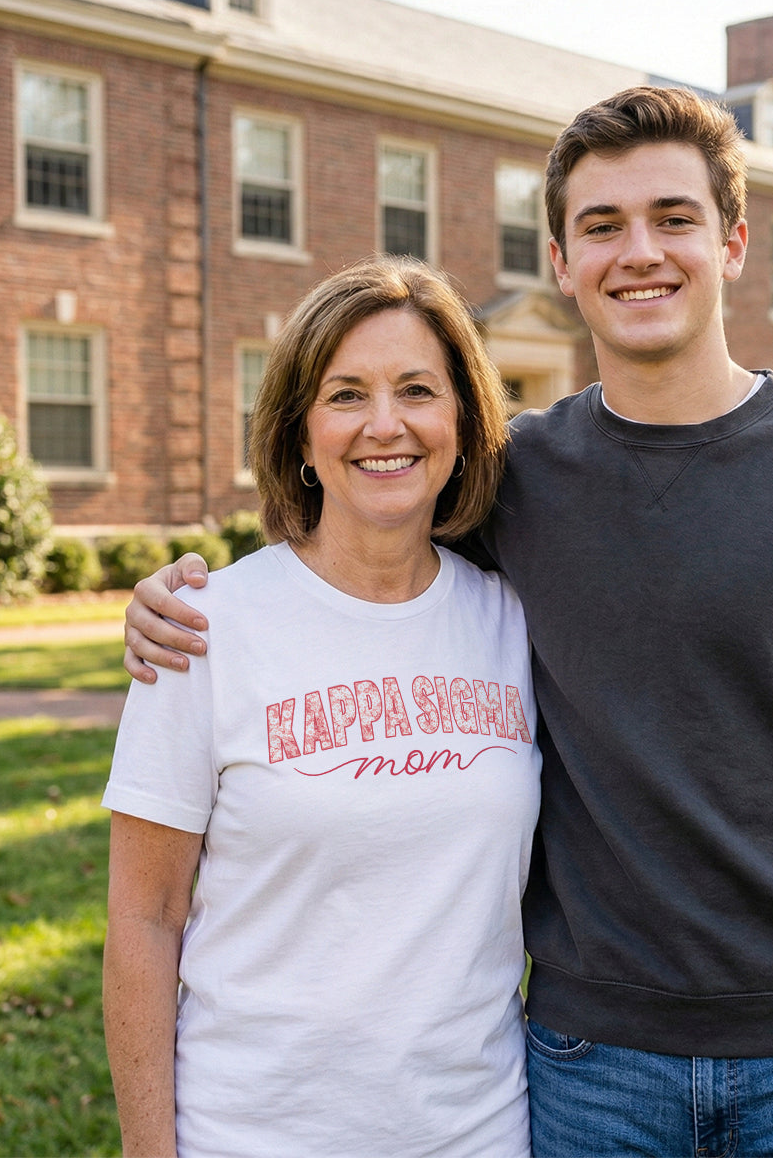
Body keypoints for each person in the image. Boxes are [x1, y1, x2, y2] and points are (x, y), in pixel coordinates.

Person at [123, 87, 773, 1158]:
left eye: (672, 218)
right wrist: (174, 596)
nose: (640, 252)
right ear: (559, 260)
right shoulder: (518, 482)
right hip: (591, 1067)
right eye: (602, 226)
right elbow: (363, 541)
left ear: (732, 242)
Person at [102, 255, 542, 1157]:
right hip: (253, 1134)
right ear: (301, 437)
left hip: (478, 1133)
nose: (386, 425)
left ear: (461, 420)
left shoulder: (517, 622)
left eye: (418, 390)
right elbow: (145, 921)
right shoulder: (202, 629)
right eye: (346, 395)